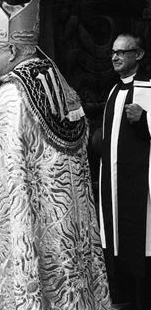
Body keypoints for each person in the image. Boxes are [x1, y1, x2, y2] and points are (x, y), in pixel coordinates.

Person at [0, 0, 111, 310]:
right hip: (64, 228)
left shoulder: (12, 97)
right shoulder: (59, 84)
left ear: (13, 49)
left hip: (32, 227)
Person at [99, 33, 151, 310]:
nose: (115, 57)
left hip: (139, 181)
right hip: (113, 180)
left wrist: (144, 120)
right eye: (113, 52)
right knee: (116, 236)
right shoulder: (113, 90)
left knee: (140, 239)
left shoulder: (148, 88)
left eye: (122, 52)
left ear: (138, 55)